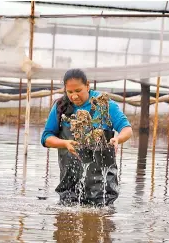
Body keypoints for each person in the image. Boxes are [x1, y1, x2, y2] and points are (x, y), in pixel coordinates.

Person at [41, 68, 133, 206]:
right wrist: (65, 143)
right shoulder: (61, 107)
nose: (74, 96)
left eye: (78, 91)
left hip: (102, 187)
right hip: (69, 184)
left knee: (101, 220)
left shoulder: (105, 105)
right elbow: (46, 137)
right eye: (69, 92)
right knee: (66, 220)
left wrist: (117, 139)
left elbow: (127, 129)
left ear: (88, 85)